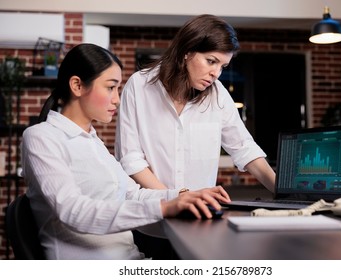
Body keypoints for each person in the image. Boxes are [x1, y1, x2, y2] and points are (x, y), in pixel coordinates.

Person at [20, 43, 230, 260]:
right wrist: (163, 208)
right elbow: (74, 211)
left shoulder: (93, 142)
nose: (117, 99)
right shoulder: (41, 137)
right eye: (111, 87)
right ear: (77, 85)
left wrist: (185, 196)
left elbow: (133, 194)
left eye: (118, 89)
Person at [115, 14, 276, 193]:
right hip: (148, 209)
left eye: (222, 66)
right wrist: (175, 199)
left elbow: (244, 148)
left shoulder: (218, 94)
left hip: (199, 212)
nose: (216, 73)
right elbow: (130, 159)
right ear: (187, 52)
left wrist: (283, 192)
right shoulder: (139, 86)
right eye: (211, 61)